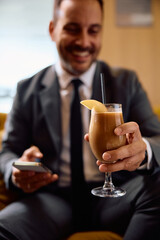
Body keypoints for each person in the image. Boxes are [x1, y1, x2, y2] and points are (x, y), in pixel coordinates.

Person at [0, 0, 160, 239]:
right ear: (53, 29)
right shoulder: (27, 89)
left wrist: (143, 150)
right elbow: (7, 151)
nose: (84, 42)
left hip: (117, 195)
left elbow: (157, 139)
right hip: (51, 200)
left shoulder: (126, 82)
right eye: (72, 29)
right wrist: (16, 169)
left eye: (93, 30)